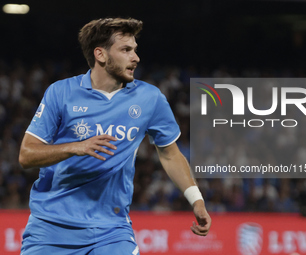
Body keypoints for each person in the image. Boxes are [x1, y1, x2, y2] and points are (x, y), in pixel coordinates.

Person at [18, 17, 211, 254]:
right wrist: (76, 147)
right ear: (100, 54)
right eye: (126, 50)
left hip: (111, 231)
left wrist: (197, 200)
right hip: (50, 228)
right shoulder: (61, 93)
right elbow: (27, 155)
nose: (136, 58)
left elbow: (170, 155)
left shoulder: (149, 98)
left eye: (135, 50)